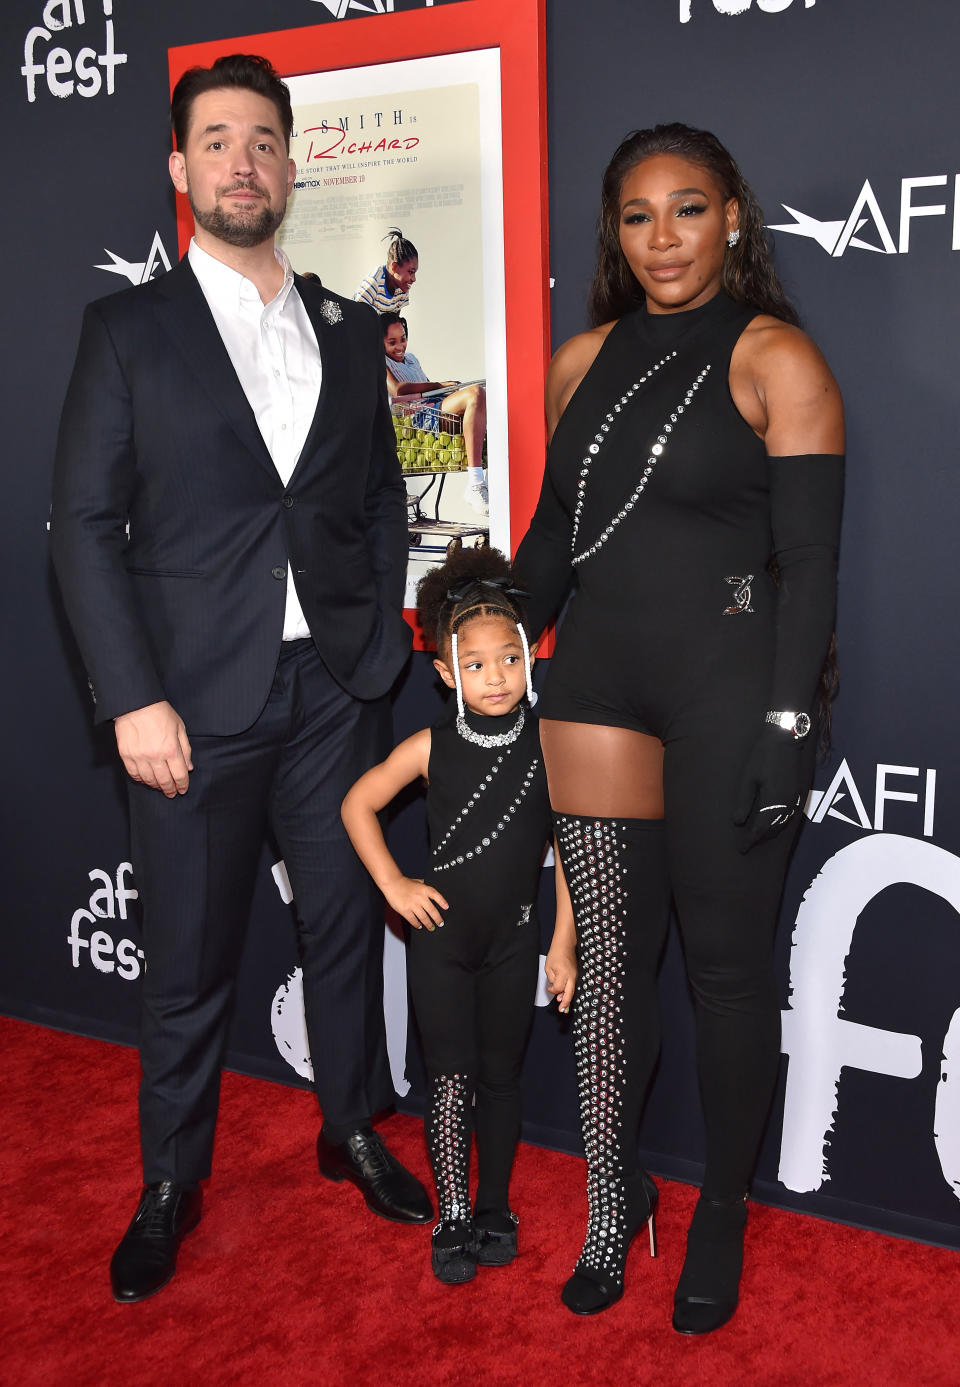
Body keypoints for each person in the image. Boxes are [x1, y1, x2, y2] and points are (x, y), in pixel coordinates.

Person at [50, 53, 432, 1306]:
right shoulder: (128, 330)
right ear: (179, 167)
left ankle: (352, 1127)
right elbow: (82, 524)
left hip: (334, 689)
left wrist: (373, 634)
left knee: (342, 925)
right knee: (186, 961)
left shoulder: (338, 321)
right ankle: (171, 1180)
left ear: (290, 165)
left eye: (262, 141)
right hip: (188, 705)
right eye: (216, 141)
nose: (241, 163)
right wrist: (131, 695)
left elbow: (376, 496)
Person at [513, 122, 844, 1332]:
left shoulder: (776, 358)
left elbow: (809, 568)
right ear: (614, 230)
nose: (663, 238)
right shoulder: (578, 360)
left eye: (689, 209)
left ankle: (719, 1209)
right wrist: (483, 640)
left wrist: (784, 721)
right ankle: (616, 1202)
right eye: (639, 214)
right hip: (597, 687)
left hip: (727, 694)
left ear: (733, 220)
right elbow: (555, 543)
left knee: (722, 972)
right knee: (607, 973)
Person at [341, 544, 576, 1284]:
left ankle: (497, 1206)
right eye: (474, 664)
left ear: (530, 658)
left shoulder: (549, 743)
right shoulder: (428, 746)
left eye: (508, 658)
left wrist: (563, 943)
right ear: (444, 673)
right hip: (440, 943)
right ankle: (452, 1214)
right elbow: (357, 804)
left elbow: (568, 852)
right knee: (450, 1080)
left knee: (501, 1079)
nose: (495, 675)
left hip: (514, 941)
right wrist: (395, 886)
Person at [382, 313, 489, 514]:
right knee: (475, 393)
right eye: (392, 342)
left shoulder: (412, 360)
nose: (400, 346)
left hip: (435, 408)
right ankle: (475, 484)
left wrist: (446, 390)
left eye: (403, 339)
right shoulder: (380, 362)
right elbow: (397, 390)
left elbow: (428, 392)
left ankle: (488, 478)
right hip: (418, 419)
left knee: (486, 397)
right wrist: (440, 385)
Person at [354, 227, 418, 316]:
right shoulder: (373, 283)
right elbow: (356, 316)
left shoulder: (402, 289)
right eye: (411, 272)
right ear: (395, 267)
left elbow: (394, 323)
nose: (414, 279)